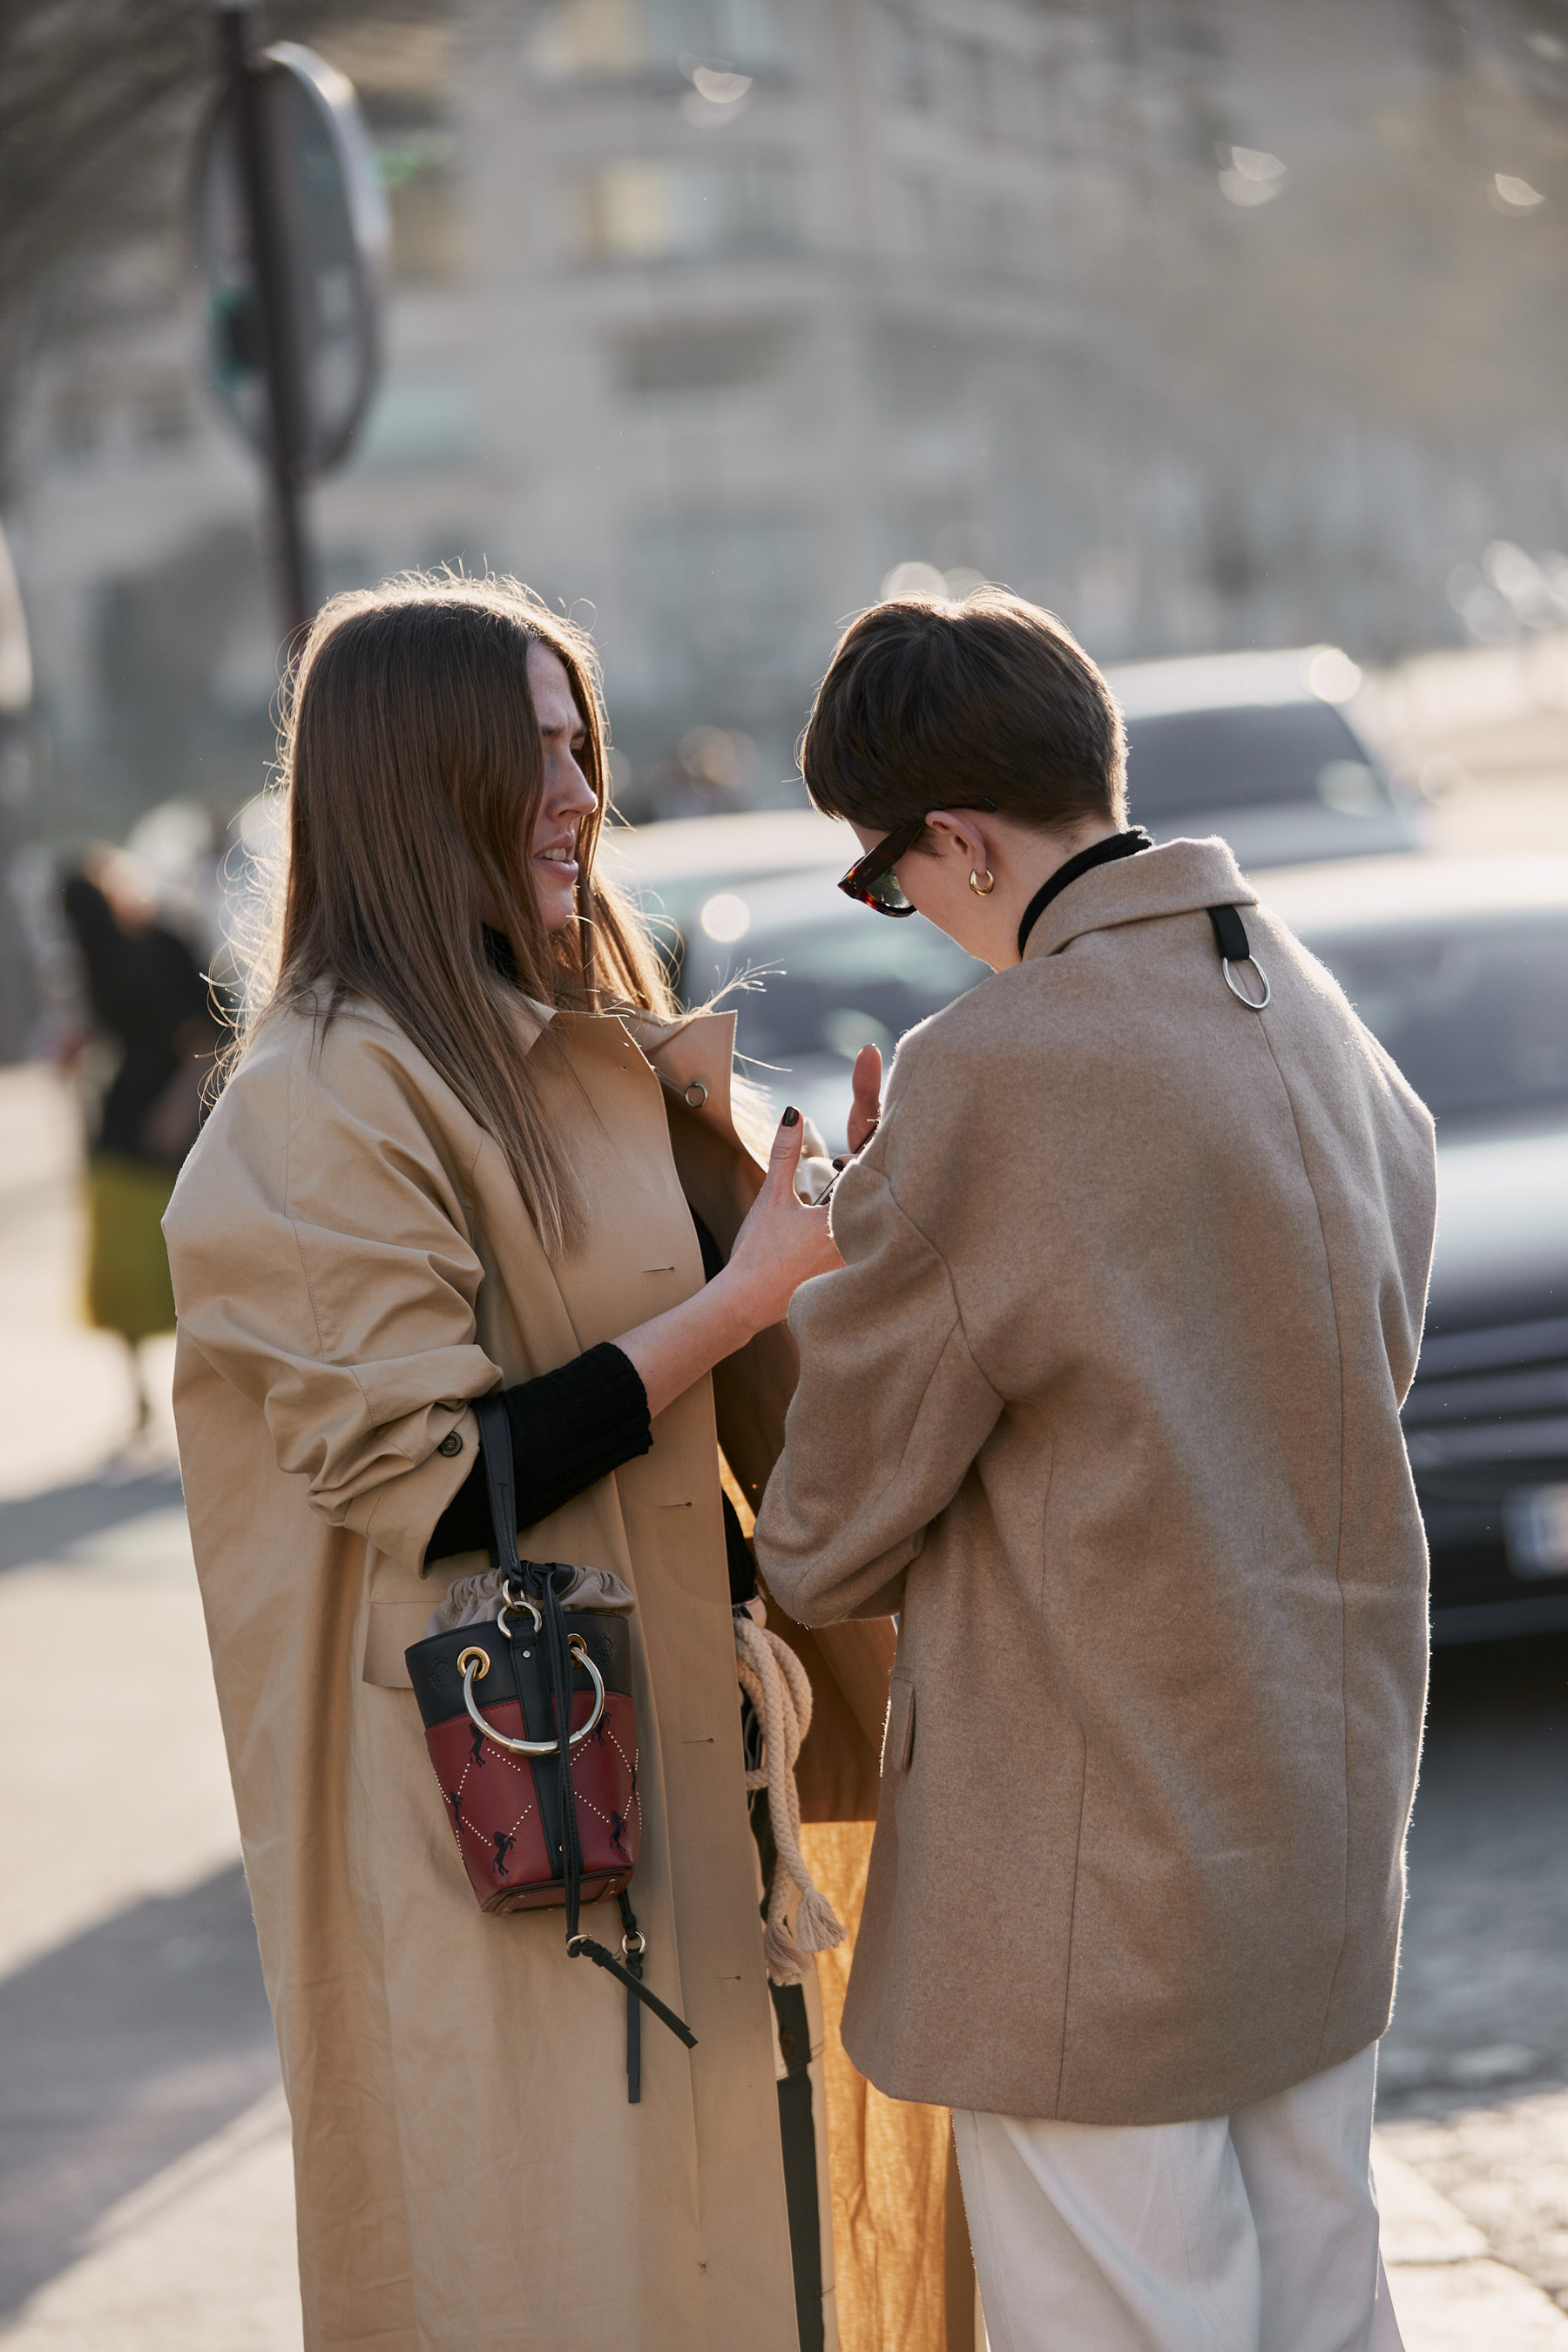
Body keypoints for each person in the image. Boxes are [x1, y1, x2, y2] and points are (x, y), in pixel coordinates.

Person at [161, 574, 855, 2352]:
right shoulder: (324, 1097)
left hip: (680, 1810)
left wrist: (818, 1238)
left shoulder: (553, 1048)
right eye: (534, 754)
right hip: (504, 1849)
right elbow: (437, 1482)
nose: (580, 796)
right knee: (559, 2287)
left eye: (581, 746)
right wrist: (739, 1297)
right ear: (420, 783)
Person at [754, 589, 1433, 2352]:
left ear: (959, 839)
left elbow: (824, 1535)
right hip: (1316, 1825)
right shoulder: (1313, 1009)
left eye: (888, 876)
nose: (907, 910)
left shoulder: (993, 1073)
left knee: (1131, 2324)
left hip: (1088, 1863)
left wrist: (854, 1238)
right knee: (1327, 2296)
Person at [58, 850, 220, 1428]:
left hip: (178, 1118)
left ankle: (206, 1392)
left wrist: (179, 1107)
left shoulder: (163, 944)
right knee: (118, 1264)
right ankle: (140, 1395)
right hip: (123, 1118)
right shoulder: (96, 953)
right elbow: (117, 1022)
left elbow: (210, 1033)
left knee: (183, 1265)